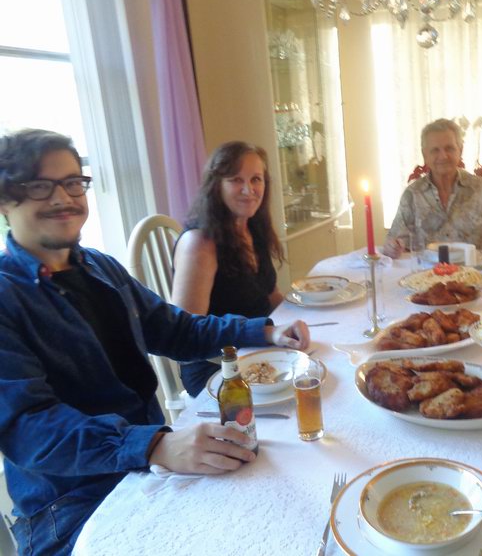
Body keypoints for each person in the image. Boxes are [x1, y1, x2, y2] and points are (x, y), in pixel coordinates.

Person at [0, 129, 310, 555]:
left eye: (73, 182)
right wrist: (154, 444)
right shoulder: (6, 296)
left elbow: (177, 330)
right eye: (40, 186)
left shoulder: (101, 269)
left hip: (146, 464)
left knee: (280, 509)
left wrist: (262, 331)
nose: (63, 198)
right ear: (5, 200)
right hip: (72, 505)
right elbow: (27, 428)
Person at [172, 141, 296, 396]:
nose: (249, 190)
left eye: (256, 179)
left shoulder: (252, 228)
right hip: (217, 366)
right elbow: (186, 333)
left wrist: (301, 320)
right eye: (236, 180)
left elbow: (270, 295)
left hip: (259, 349)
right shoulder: (200, 243)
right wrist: (267, 333)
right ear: (216, 185)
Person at [383, 118, 482, 257]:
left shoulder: (481, 188)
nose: (443, 156)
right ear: (425, 155)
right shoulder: (412, 194)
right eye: (435, 150)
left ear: (460, 150)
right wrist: (392, 247)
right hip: (427, 275)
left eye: (449, 148)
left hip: (475, 274)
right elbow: (396, 241)